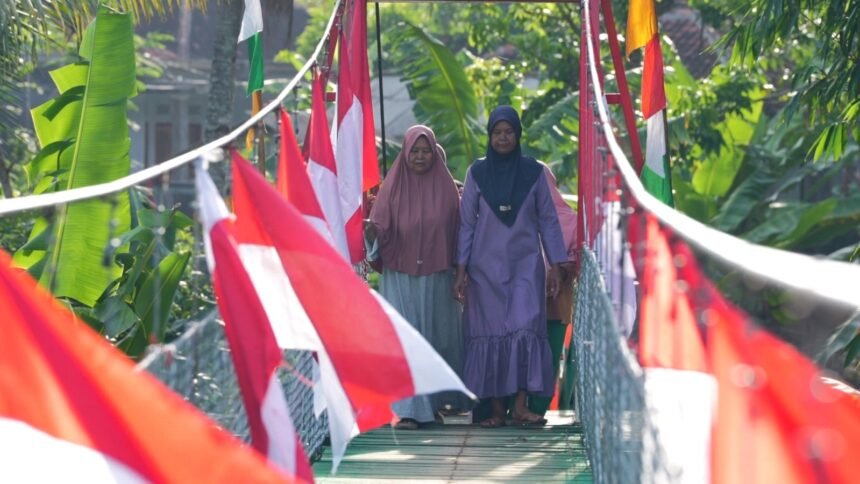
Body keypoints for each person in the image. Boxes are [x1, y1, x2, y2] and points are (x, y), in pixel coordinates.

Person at [453, 106, 568, 428]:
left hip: (525, 267)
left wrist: (556, 265)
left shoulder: (534, 172)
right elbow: (465, 225)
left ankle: (520, 406)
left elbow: (548, 219)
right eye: (497, 133)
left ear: (518, 135)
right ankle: (495, 409)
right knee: (491, 333)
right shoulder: (477, 173)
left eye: (509, 132)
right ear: (490, 137)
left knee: (525, 328)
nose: (503, 138)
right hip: (484, 268)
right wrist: (461, 270)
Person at [365, 125, 467, 430]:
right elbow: (378, 227)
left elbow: (459, 231)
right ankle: (410, 410)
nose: (420, 157)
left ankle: (432, 404)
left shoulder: (447, 190)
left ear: (434, 154)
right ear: (405, 153)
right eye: (415, 151)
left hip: (437, 275)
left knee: (435, 339)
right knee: (405, 338)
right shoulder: (392, 188)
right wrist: (372, 232)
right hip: (400, 275)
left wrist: (461, 273)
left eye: (426, 151)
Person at [528, 164, 578, 417]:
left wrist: (561, 268)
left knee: (549, 354)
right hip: (523, 299)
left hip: (555, 300)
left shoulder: (571, 220)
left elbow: (577, 257)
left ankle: (538, 408)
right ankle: (519, 406)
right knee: (525, 353)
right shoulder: (519, 217)